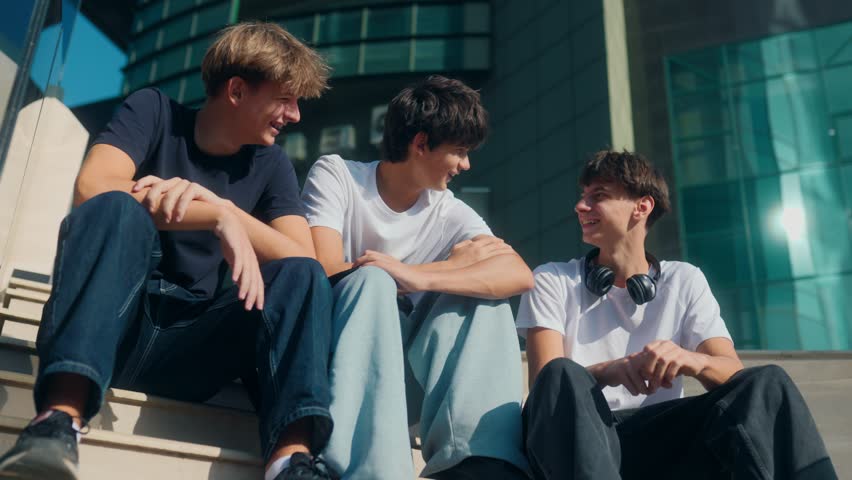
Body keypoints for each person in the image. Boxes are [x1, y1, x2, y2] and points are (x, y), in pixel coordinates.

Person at [0, 22, 338, 480]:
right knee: (116, 208)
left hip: (192, 348)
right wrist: (211, 218)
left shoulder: (270, 163)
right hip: (114, 325)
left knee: (301, 275)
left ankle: (289, 461)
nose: (295, 115)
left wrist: (223, 210)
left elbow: (305, 260)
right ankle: (57, 422)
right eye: (285, 99)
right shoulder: (153, 111)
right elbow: (93, 186)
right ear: (237, 91)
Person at [517, 149, 837, 479]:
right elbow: (546, 386)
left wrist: (691, 360)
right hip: (579, 438)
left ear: (642, 207)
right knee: (562, 373)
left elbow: (733, 374)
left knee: (767, 383)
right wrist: (614, 370)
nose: (580, 206)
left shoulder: (684, 279)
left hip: (661, 440)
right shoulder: (552, 279)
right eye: (583, 196)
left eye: (598, 196)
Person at [301, 75, 532, 479]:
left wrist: (418, 277)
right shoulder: (338, 175)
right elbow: (324, 270)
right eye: (459, 152)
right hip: (337, 365)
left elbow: (518, 274)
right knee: (371, 282)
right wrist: (402, 274)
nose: (466, 165)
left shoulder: (447, 210)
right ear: (421, 144)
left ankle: (476, 463)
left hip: (412, 380)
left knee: (484, 298)